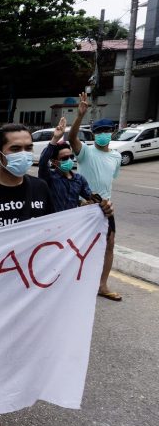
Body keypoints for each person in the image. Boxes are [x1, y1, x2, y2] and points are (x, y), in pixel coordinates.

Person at [0, 123, 113, 426]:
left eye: (28, 148)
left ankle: (22, 389)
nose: (24, 154)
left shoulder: (40, 188)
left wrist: (95, 214)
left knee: (26, 347)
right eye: (16, 149)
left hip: (33, 290)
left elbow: (57, 231)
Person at [68, 93, 122, 301]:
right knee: (80, 245)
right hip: (84, 206)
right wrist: (80, 116)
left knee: (109, 244)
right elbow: (72, 139)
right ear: (93, 134)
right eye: (99, 131)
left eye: (107, 131)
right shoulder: (86, 152)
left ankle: (102, 285)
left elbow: (109, 180)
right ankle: (73, 282)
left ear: (112, 132)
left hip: (106, 208)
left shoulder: (116, 157)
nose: (103, 134)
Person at [38, 117, 92, 211]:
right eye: (64, 158)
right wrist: (55, 138)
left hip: (71, 222)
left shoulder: (79, 179)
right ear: (54, 161)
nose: (69, 160)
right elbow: (43, 162)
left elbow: (90, 197)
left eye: (71, 157)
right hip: (52, 222)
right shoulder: (49, 177)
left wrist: (94, 202)